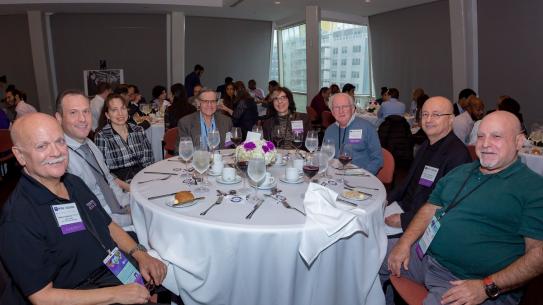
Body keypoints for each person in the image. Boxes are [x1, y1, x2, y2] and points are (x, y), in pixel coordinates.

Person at [0, 112, 167, 305]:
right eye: (42, 146)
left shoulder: (73, 182)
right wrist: (116, 294)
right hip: (81, 293)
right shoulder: (17, 218)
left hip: (112, 266)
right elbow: (42, 297)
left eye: (60, 141)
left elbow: (108, 225)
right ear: (20, 155)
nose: (56, 152)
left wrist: (141, 255)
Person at [388, 111, 543, 305]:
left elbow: (538, 254)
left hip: (471, 283)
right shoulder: (460, 172)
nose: (485, 144)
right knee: (368, 255)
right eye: (481, 136)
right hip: (425, 256)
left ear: (519, 141)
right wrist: (404, 243)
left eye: (496, 136)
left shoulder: (534, 188)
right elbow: (430, 208)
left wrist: (487, 286)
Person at [55, 90, 133, 228]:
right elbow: (81, 215)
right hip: (103, 224)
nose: (82, 119)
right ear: (59, 118)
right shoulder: (59, 159)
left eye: (86, 111)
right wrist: (131, 218)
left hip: (119, 208)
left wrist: (126, 203)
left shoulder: (89, 143)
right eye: (73, 112)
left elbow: (107, 178)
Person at [95, 94, 154, 181]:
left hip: (143, 179)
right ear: (107, 115)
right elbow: (103, 171)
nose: (120, 113)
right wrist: (128, 187)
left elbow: (149, 161)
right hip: (120, 185)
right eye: (114, 110)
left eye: (123, 108)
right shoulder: (102, 136)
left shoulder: (138, 130)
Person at [323, 93, 383, 174]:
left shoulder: (367, 128)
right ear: (332, 112)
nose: (341, 111)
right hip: (335, 176)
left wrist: (364, 175)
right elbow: (325, 156)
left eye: (345, 106)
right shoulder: (329, 131)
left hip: (361, 177)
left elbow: (377, 159)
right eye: (336, 107)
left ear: (353, 109)